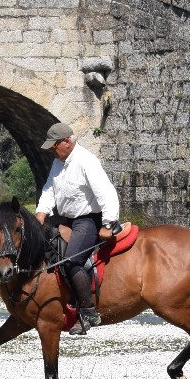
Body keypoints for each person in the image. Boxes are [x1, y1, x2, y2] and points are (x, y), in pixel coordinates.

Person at [33, 122, 119, 333]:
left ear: (67, 142)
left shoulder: (86, 161)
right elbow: (49, 190)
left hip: (88, 220)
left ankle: (89, 312)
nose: (53, 150)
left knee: (71, 261)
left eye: (55, 146)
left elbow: (106, 193)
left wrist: (108, 223)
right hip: (67, 220)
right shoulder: (58, 162)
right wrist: (41, 213)